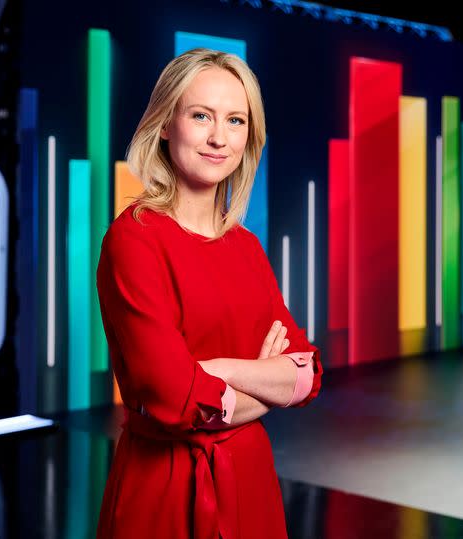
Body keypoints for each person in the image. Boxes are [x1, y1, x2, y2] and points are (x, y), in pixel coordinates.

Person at [95, 48, 323, 539]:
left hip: (250, 482)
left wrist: (219, 374)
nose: (220, 138)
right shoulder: (133, 239)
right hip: (164, 489)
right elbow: (176, 400)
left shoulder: (246, 247)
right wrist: (266, 387)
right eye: (201, 116)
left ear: (249, 135)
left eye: (235, 120)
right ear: (164, 125)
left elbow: (306, 375)